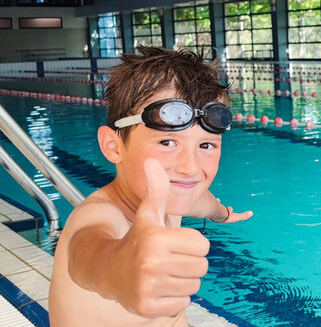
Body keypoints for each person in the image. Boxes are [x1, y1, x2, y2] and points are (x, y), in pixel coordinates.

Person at [49, 46, 253, 326]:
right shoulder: (99, 216)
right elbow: (85, 254)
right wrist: (119, 267)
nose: (190, 168)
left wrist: (224, 214)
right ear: (114, 146)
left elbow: (204, 202)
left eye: (206, 145)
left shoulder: (177, 193)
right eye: (167, 142)